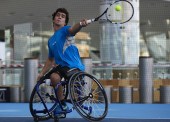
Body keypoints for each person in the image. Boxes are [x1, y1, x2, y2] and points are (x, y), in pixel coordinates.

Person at [37, 8, 89, 118]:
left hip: (73, 66)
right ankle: (62, 104)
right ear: (53, 19)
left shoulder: (66, 30)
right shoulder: (50, 41)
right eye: (58, 15)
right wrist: (41, 73)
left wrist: (80, 24)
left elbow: (73, 30)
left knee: (76, 95)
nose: (60, 17)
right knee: (54, 77)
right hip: (61, 68)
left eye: (63, 16)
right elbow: (50, 59)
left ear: (65, 22)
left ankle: (78, 94)